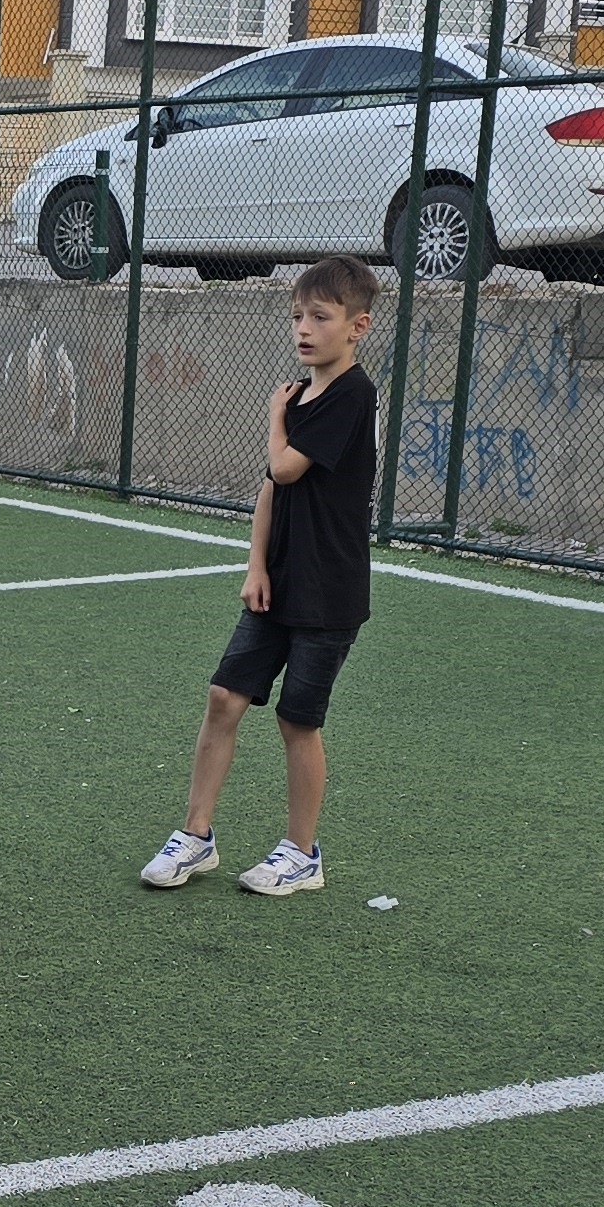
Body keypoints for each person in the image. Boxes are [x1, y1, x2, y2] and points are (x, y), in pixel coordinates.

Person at [142, 255, 382, 897]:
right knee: (224, 697)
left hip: (328, 592)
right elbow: (269, 491)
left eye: (320, 317)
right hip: (277, 582)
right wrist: (255, 567)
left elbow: (285, 468)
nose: (304, 328)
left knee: (297, 721)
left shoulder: (352, 396)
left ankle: (301, 854)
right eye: (298, 315)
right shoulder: (304, 393)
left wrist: (275, 417)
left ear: (357, 327)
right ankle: (196, 835)